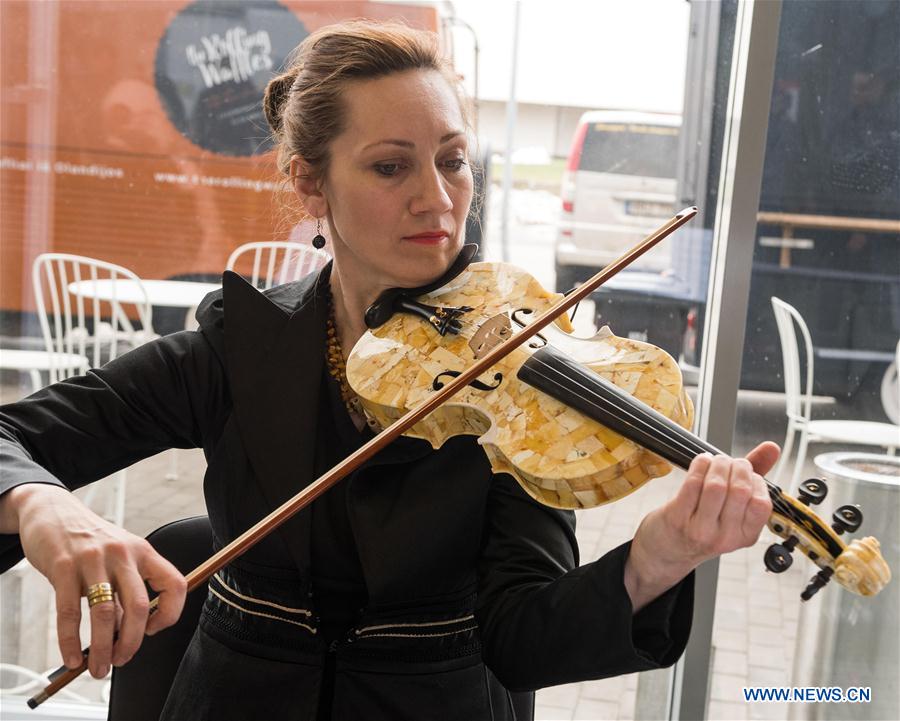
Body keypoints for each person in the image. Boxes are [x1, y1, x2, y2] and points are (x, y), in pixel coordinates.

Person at [0, 21, 778, 721]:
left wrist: (658, 556)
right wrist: (44, 506)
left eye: (453, 161)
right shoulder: (238, 343)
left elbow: (524, 638)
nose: (436, 199)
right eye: (390, 167)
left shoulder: (512, 372)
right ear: (310, 182)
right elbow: (14, 435)